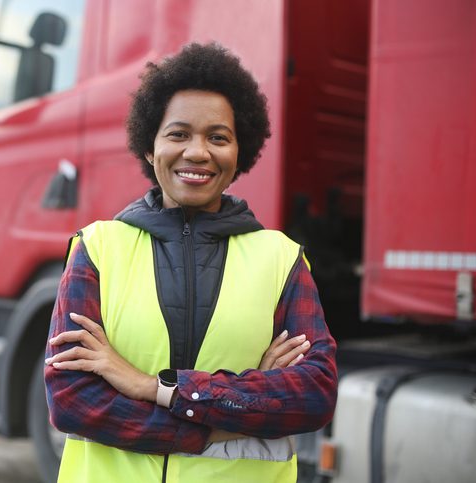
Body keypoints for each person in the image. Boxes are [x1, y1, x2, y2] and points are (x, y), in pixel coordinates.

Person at [44, 42, 337, 483]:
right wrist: (215, 426)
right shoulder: (98, 249)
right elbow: (72, 400)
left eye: (218, 137)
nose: (198, 152)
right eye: (179, 134)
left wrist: (153, 387)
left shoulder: (281, 260)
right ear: (150, 146)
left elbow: (312, 396)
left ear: (240, 152)